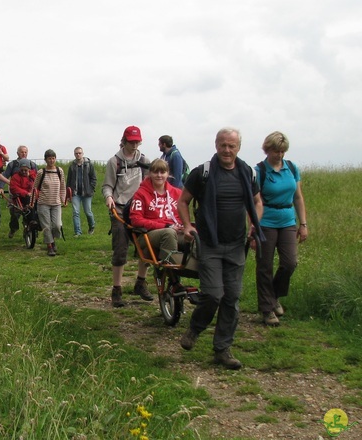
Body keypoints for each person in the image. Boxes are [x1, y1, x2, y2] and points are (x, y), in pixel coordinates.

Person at [177, 127, 264, 370]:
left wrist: (254, 224)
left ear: (238, 147)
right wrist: (186, 225)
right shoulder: (202, 173)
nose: (227, 150)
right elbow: (182, 201)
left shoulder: (247, 172)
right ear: (216, 145)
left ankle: (222, 349)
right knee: (213, 295)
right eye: (223, 145)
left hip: (237, 244)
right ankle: (194, 329)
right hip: (210, 245)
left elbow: (257, 202)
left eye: (231, 146)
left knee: (232, 298)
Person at [254, 131, 308, 327]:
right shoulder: (259, 171)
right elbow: (255, 201)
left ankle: (274, 296)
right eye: (276, 150)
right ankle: (267, 309)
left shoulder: (292, 168)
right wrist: (253, 229)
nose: (280, 154)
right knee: (265, 265)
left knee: (290, 263)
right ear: (267, 150)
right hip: (266, 222)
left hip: (287, 220)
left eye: (282, 151)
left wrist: (303, 224)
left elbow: (298, 197)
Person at [102, 125, 153, 307]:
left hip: (139, 208)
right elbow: (107, 185)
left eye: (137, 141)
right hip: (120, 209)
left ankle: (141, 282)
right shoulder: (113, 162)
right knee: (121, 248)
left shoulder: (145, 160)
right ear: (124, 141)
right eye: (131, 142)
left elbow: (149, 183)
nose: (134, 145)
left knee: (146, 246)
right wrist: (109, 198)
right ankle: (117, 289)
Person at [129, 159, 184, 262]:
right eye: (155, 172)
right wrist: (165, 226)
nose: (159, 175)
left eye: (162, 172)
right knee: (169, 233)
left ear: (168, 174)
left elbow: (182, 216)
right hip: (149, 233)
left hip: (176, 230)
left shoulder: (177, 193)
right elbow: (136, 220)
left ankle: (200, 270)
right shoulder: (141, 194)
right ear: (150, 173)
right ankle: (170, 270)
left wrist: (183, 226)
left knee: (194, 235)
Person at [33, 149, 66, 256]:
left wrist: (63, 199)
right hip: (43, 203)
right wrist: (32, 202)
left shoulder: (59, 171)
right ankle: (50, 246)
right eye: (49, 159)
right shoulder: (41, 172)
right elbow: (34, 188)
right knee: (46, 226)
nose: (51, 161)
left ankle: (53, 239)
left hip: (56, 203)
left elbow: (63, 187)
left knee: (57, 225)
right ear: (45, 160)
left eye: (53, 158)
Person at [4, 145, 38, 237]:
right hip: (18, 198)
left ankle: (32, 224)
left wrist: (33, 193)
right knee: (14, 214)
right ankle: (13, 228)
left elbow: (37, 184)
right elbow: (13, 187)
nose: (24, 172)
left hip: (30, 198)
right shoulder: (15, 174)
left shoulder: (33, 174)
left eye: (26, 170)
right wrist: (26, 193)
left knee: (34, 209)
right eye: (22, 170)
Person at [66, 146, 97, 237]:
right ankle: (78, 232)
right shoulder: (72, 166)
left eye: (79, 153)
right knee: (76, 212)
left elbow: (94, 178)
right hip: (75, 193)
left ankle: (92, 226)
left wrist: (91, 188)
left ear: (82, 154)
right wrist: (68, 194)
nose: (78, 155)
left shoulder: (89, 164)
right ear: (74, 154)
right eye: (76, 153)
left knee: (88, 212)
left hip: (87, 193)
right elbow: (69, 180)